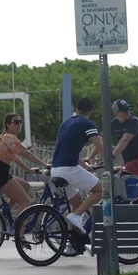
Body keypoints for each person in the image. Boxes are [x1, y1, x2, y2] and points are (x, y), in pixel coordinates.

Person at [51, 98, 104, 234]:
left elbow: (67, 150)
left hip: (56, 169)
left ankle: (71, 240)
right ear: (90, 112)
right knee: (99, 191)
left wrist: (85, 167)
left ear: (76, 109)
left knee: (77, 203)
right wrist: (110, 165)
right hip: (69, 169)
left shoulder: (65, 123)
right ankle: (76, 215)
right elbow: (100, 146)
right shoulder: (87, 123)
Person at [0, 113, 49, 215]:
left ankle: (6, 215)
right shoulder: (9, 137)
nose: (19, 124)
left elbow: (16, 159)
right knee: (25, 202)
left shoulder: (4, 138)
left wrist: (29, 170)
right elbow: (26, 154)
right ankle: (17, 228)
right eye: (16, 122)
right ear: (8, 125)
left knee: (25, 186)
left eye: (20, 122)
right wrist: (45, 165)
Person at [85, 99, 138, 177]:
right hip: (129, 161)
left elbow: (125, 140)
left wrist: (112, 156)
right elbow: (101, 141)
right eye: (124, 111)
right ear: (116, 113)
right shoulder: (113, 124)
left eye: (128, 109)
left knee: (120, 173)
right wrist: (90, 156)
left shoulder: (134, 122)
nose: (128, 112)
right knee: (114, 174)